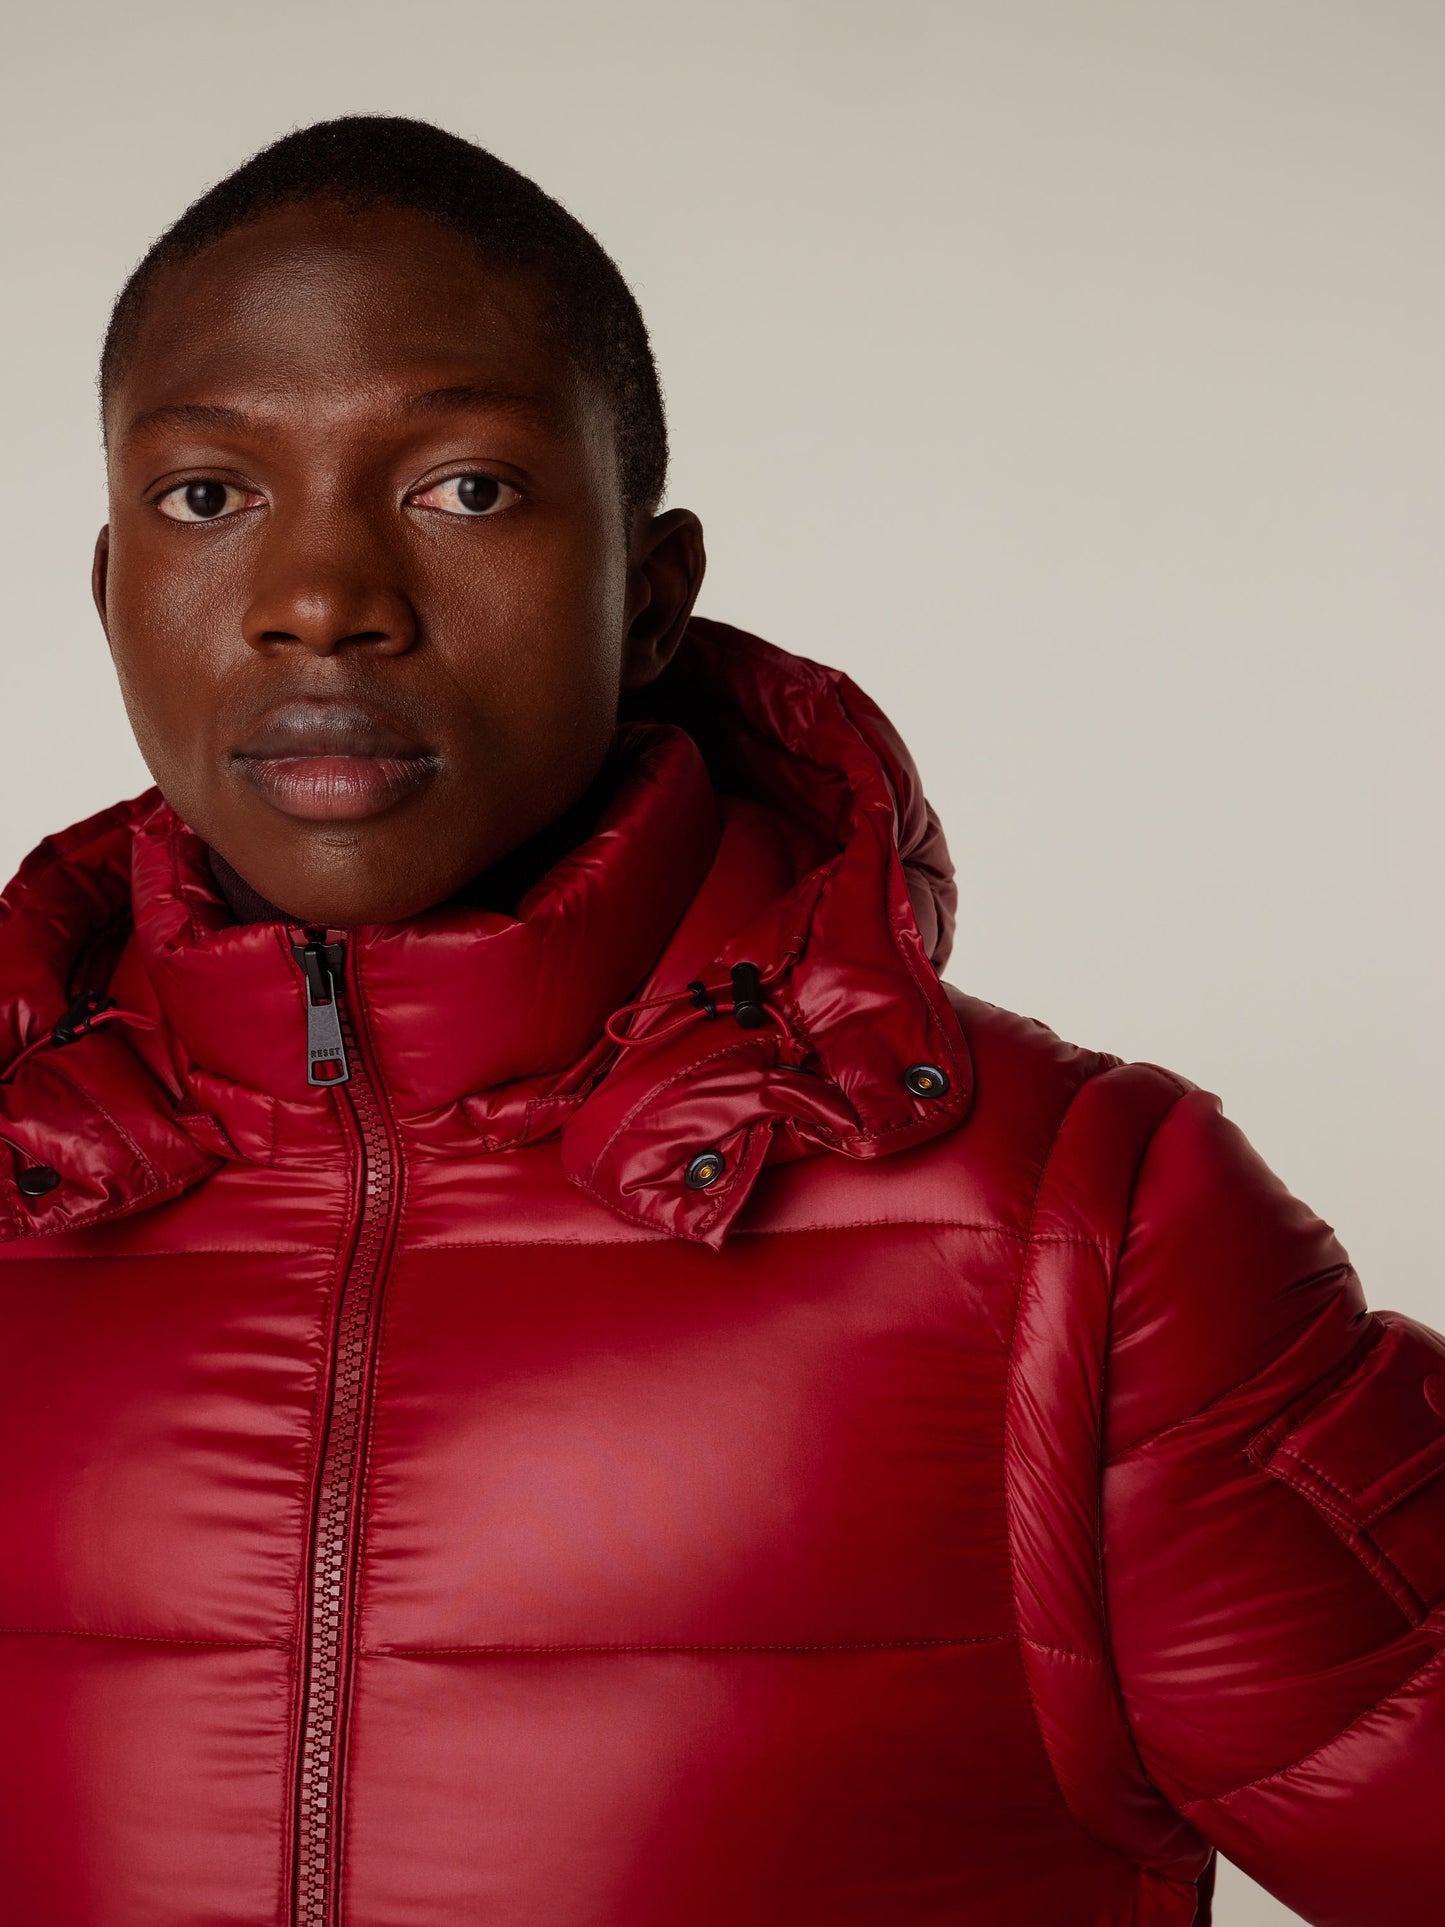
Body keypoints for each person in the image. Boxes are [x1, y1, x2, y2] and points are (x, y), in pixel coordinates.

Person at [0, 114, 1438, 1927]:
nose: (321, 604)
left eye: (467, 489)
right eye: (209, 498)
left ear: (652, 594)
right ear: (109, 588)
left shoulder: (1081, 1238)